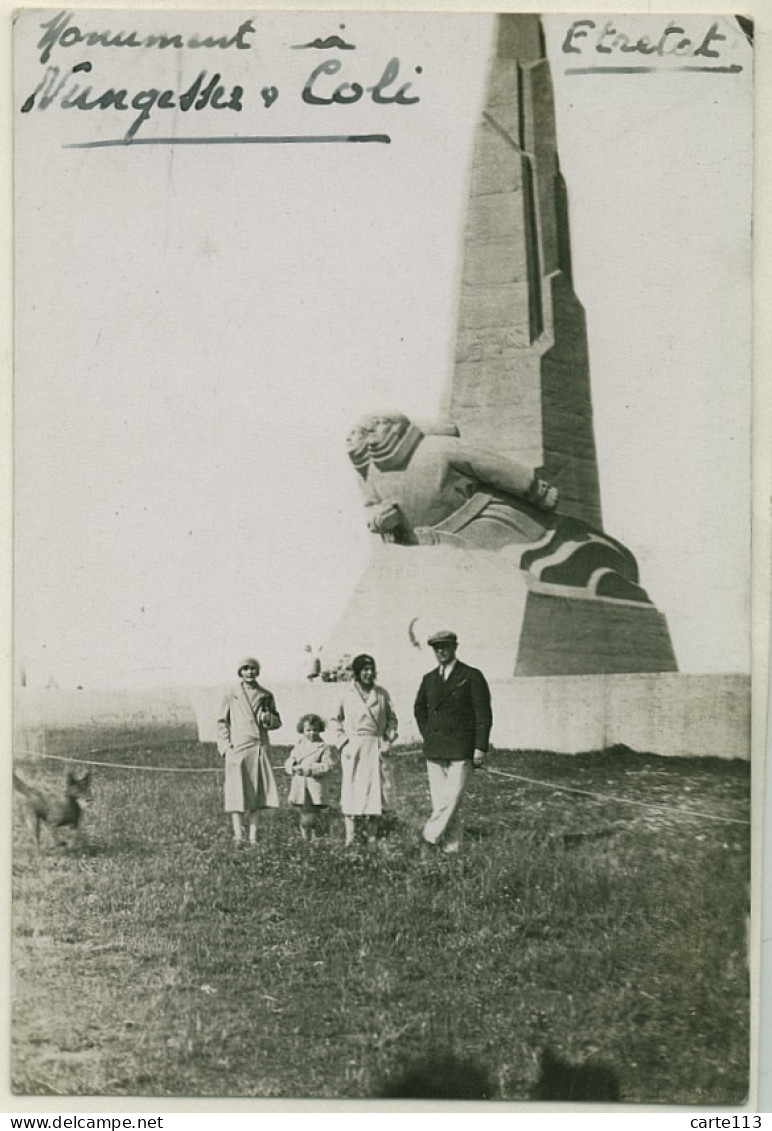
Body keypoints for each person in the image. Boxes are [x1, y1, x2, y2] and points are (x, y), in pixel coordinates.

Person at [414, 630, 492, 855]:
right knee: (443, 803)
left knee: (452, 798)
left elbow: (483, 714)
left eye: (445, 646)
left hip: (461, 748)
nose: (441, 651)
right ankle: (451, 849)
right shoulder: (429, 679)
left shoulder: (471, 675)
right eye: (436, 648)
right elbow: (419, 709)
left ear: (455, 647)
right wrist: (429, 734)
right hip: (435, 748)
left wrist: (479, 747)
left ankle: (428, 838)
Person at [327, 653, 398, 847]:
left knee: (375, 791)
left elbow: (392, 719)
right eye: (364, 670)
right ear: (357, 672)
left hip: (376, 747)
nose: (369, 673)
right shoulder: (345, 693)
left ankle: (372, 835)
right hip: (353, 748)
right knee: (352, 790)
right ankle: (351, 836)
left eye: (371, 669)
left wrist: (388, 738)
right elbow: (334, 720)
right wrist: (343, 743)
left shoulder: (382, 693)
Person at [216, 657, 282, 845]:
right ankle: (238, 835)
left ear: (258, 671)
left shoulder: (266, 694)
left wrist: (268, 718)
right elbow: (222, 722)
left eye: (253, 669)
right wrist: (226, 749)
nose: (249, 672)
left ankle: (253, 836)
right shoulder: (231, 693)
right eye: (245, 669)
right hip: (238, 748)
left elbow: (277, 722)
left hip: (258, 746)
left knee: (257, 793)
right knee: (236, 792)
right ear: (240, 672)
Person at [283, 713, 335, 841]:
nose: (311, 733)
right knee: (304, 812)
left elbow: (327, 765)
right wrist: (291, 766)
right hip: (300, 784)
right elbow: (291, 759)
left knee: (313, 813)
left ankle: (315, 837)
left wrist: (309, 769)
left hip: (314, 784)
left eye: (315, 730)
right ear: (302, 730)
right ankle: (305, 838)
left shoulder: (323, 747)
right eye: (308, 730)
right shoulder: (299, 745)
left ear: (320, 730)